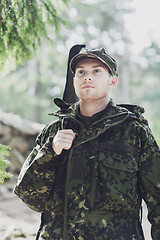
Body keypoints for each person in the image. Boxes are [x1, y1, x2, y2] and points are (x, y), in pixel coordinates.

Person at [14, 47, 160, 240]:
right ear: (74, 81)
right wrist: (50, 152)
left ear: (112, 81)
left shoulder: (134, 132)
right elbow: (31, 198)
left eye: (97, 71)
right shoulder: (53, 132)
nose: (87, 77)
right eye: (81, 72)